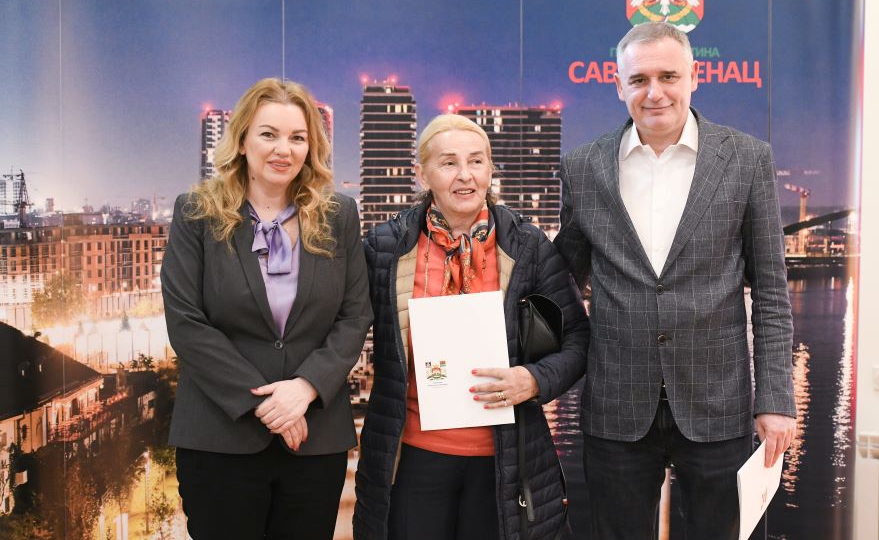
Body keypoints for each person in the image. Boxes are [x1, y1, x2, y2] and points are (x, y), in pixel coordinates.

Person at [554, 22, 797, 540]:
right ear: (618, 85)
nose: (654, 92)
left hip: (719, 404)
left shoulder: (748, 159)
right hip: (616, 404)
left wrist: (775, 399)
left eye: (668, 76)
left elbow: (772, 292)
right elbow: (559, 280)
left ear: (694, 77)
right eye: (638, 79)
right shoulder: (582, 168)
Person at [353, 114, 590, 540]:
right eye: (448, 163)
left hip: (505, 462)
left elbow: (577, 339)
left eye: (476, 161)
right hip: (412, 458)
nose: (465, 175)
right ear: (422, 173)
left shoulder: (528, 246)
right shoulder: (384, 248)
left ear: (490, 169)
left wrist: (534, 380)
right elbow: (344, 324)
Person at [161, 77, 372, 540]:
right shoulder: (196, 212)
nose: (284, 149)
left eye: (297, 137)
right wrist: (267, 404)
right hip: (220, 436)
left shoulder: (339, 214)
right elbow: (186, 323)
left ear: (311, 147)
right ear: (242, 140)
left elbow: (355, 315)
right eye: (269, 134)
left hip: (314, 437)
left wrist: (305, 389)